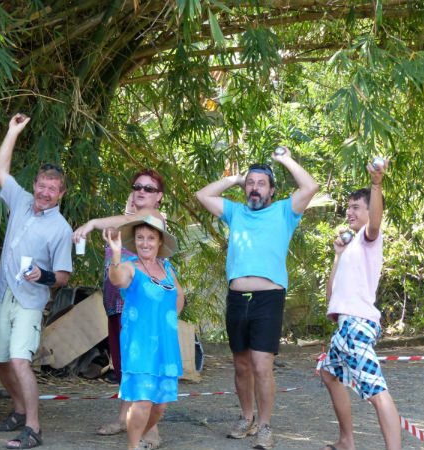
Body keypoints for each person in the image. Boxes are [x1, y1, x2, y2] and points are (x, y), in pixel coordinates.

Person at [195, 147, 318, 449]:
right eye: (251, 183)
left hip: (268, 299)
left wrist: (285, 160)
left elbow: (311, 186)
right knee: (241, 365)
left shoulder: (285, 211)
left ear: (272, 190)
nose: (254, 188)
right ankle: (246, 417)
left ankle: (264, 425)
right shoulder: (236, 212)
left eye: (261, 183)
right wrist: (235, 178)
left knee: (262, 365)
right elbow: (203, 195)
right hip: (237, 299)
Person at [0, 113, 72, 449]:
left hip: (29, 300)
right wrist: (11, 132)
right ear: (34, 185)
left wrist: (43, 275)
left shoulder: (61, 229)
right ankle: (20, 410)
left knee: (20, 360)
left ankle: (33, 428)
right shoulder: (21, 200)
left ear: (60, 194)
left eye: (52, 189)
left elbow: (63, 277)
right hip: (1, 292)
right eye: (42, 186)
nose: (45, 192)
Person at [72, 169, 165, 448]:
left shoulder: (154, 219)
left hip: (142, 308)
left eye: (149, 189)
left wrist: (92, 222)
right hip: (117, 304)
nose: (141, 191)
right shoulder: (125, 224)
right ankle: (125, 416)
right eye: (137, 186)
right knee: (124, 365)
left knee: (145, 367)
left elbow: (132, 220)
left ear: (159, 198)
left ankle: (153, 430)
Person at [319, 160, 401, 450]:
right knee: (329, 374)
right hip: (344, 326)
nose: (349, 212)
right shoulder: (352, 247)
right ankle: (346, 441)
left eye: (356, 207)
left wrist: (376, 184)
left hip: (356, 325)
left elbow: (376, 223)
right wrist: (338, 255)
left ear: (368, 211)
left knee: (377, 392)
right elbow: (331, 297)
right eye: (349, 206)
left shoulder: (368, 238)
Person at [103, 215, 184, 450]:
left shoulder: (167, 267)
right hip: (139, 343)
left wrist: (170, 319)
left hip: (166, 343)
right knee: (143, 400)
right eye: (140, 238)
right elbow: (117, 279)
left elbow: (178, 294)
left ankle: (140, 438)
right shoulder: (130, 267)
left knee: (160, 404)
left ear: (160, 242)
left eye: (151, 238)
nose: (145, 243)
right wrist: (116, 254)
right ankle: (133, 446)